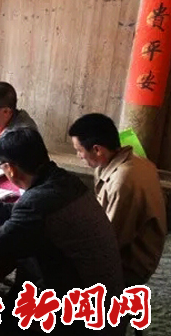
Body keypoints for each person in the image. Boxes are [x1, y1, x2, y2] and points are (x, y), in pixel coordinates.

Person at [0, 128, 124, 336]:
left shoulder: (37, 202)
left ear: (11, 169)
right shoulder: (65, 180)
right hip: (104, 303)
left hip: (76, 323)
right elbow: (39, 214)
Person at [69, 113, 167, 286]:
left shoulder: (122, 181)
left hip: (130, 264)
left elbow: (110, 241)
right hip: (129, 246)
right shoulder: (133, 160)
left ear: (97, 149)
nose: (79, 155)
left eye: (79, 150)